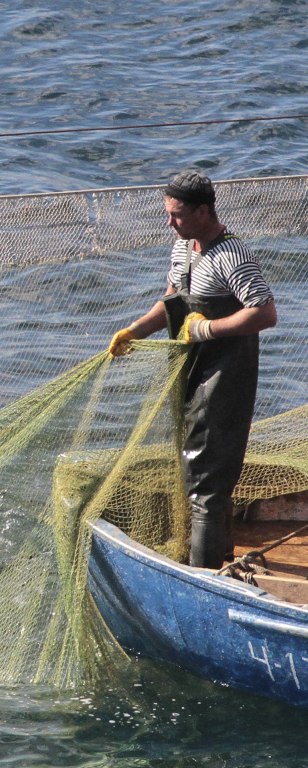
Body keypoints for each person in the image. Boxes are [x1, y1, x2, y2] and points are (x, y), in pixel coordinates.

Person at [107, 170, 278, 568]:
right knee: (202, 470)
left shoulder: (232, 255)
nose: (170, 222)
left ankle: (204, 577)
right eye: (167, 213)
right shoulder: (183, 249)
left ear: (204, 211)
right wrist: (134, 331)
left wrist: (207, 328)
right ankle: (225, 559)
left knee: (205, 483)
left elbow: (265, 313)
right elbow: (171, 302)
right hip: (191, 371)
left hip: (225, 375)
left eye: (177, 215)